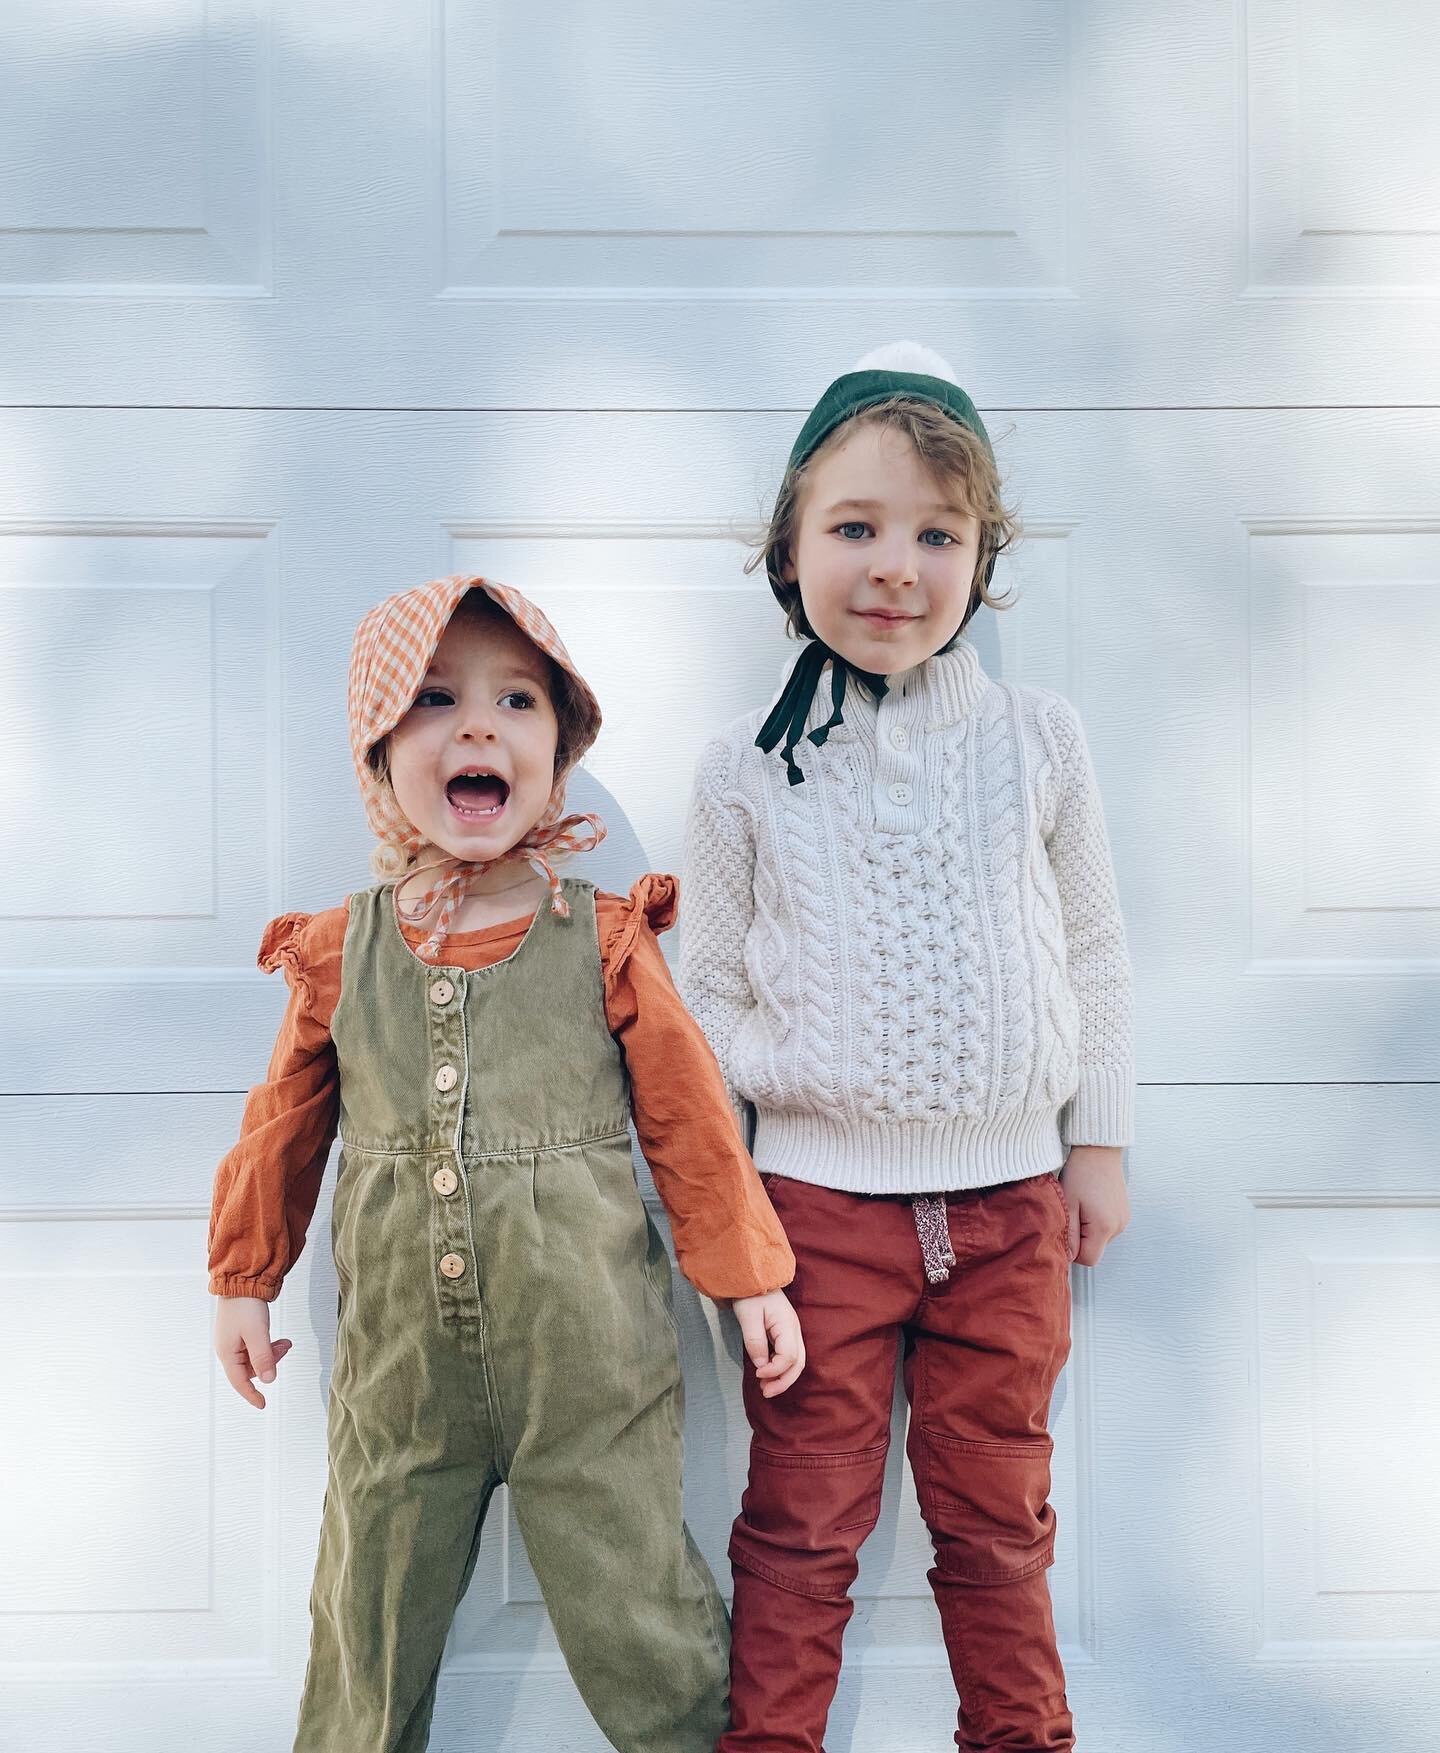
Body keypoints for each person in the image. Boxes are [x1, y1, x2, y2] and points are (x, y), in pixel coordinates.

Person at [207, 574, 803, 1753]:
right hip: (399, 1385)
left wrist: (748, 1276)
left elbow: (690, 1124)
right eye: (435, 699)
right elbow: (283, 1124)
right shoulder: (341, 950)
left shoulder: (609, 936)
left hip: (591, 1370)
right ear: (380, 752)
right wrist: (243, 1276)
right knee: (365, 1633)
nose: (478, 724)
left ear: (558, 746)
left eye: (516, 699)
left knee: (645, 1620)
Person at [680, 344, 1134, 1752]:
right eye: (856, 528)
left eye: (938, 533)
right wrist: (788, 1081)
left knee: (998, 1524)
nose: (895, 566)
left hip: (1010, 1211)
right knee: (802, 1523)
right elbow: (702, 996)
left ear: (981, 556)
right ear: (790, 547)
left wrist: (1097, 1138)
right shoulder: (746, 766)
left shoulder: (1041, 739)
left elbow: (1097, 947)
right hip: (816, 1214)